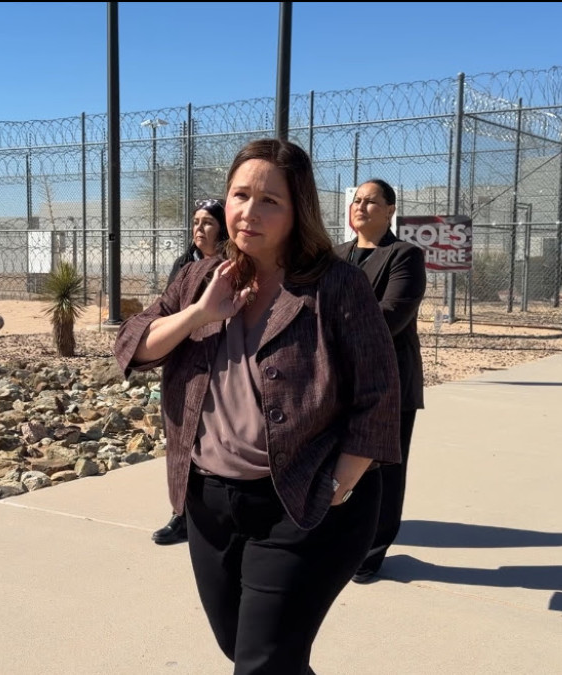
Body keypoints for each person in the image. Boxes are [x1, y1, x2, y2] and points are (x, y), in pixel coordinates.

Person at [115, 138, 401, 674]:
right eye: (240, 195)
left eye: (270, 200)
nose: (249, 211)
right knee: (245, 648)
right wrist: (200, 315)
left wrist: (337, 484)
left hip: (302, 502)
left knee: (262, 662)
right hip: (210, 503)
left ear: (298, 211)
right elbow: (133, 347)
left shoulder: (337, 285)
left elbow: (380, 393)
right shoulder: (200, 277)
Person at [334, 178, 428, 584]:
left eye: (371, 201)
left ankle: (372, 550)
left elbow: (390, 315)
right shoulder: (336, 256)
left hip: (388, 383)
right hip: (338, 380)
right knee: (340, 461)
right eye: (357, 200)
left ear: (390, 210)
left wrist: (329, 329)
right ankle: (340, 538)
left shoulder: (404, 256)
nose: (361, 206)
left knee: (384, 469)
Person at [152, 198, 230, 546]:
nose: (199, 228)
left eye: (208, 222)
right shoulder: (184, 265)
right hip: (183, 364)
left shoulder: (231, 267)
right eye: (196, 222)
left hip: (220, 366)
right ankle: (181, 513)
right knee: (180, 442)